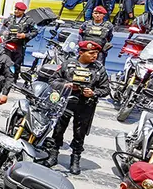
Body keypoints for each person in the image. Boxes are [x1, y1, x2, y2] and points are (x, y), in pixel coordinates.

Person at [44, 40, 111, 175]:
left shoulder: (99, 68)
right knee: (58, 129)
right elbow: (52, 80)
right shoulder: (68, 64)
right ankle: (53, 155)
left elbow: (106, 89)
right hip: (66, 102)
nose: (95, 56)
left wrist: (94, 93)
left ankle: (75, 160)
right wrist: (65, 85)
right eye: (91, 53)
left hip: (86, 104)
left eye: (96, 53)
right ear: (81, 52)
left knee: (79, 133)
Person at [0, 2, 38, 71]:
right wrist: (4, 34)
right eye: (15, 9)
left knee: (16, 64)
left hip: (19, 45)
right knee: (6, 63)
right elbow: (2, 28)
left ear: (23, 11)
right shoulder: (9, 19)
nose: (16, 11)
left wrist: (25, 35)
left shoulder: (29, 20)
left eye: (19, 10)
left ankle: (14, 78)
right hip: (8, 44)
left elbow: (35, 32)